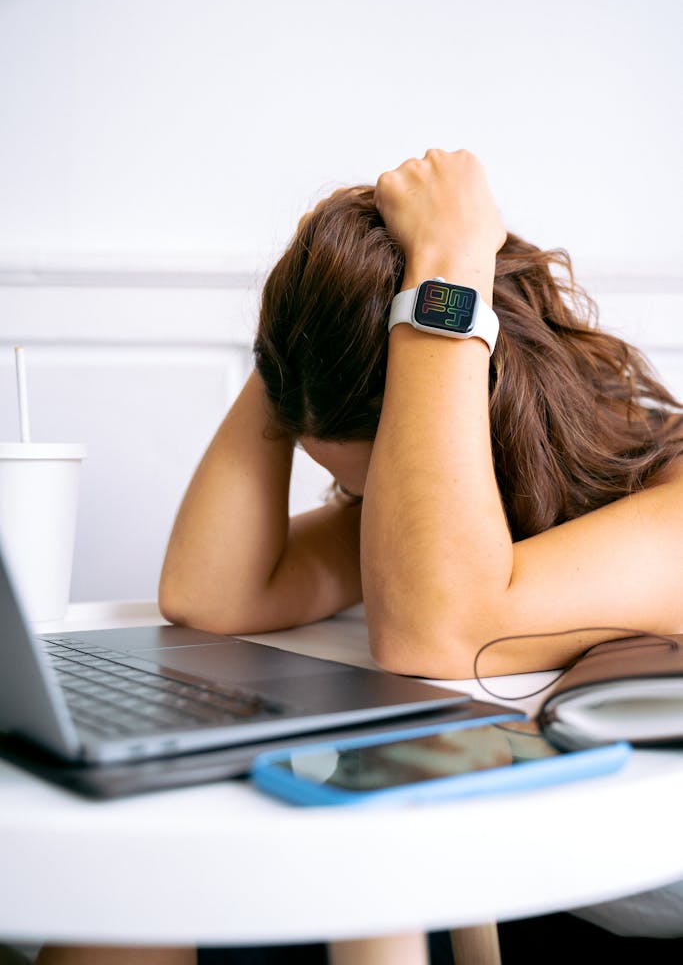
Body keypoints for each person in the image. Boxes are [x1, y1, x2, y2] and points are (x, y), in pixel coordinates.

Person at [36, 150, 683, 963]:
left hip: (587, 913)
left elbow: (443, 631)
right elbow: (217, 595)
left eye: (387, 471)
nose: (376, 500)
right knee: (128, 906)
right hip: (480, 875)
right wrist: (312, 319)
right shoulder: (442, 524)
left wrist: (449, 267)